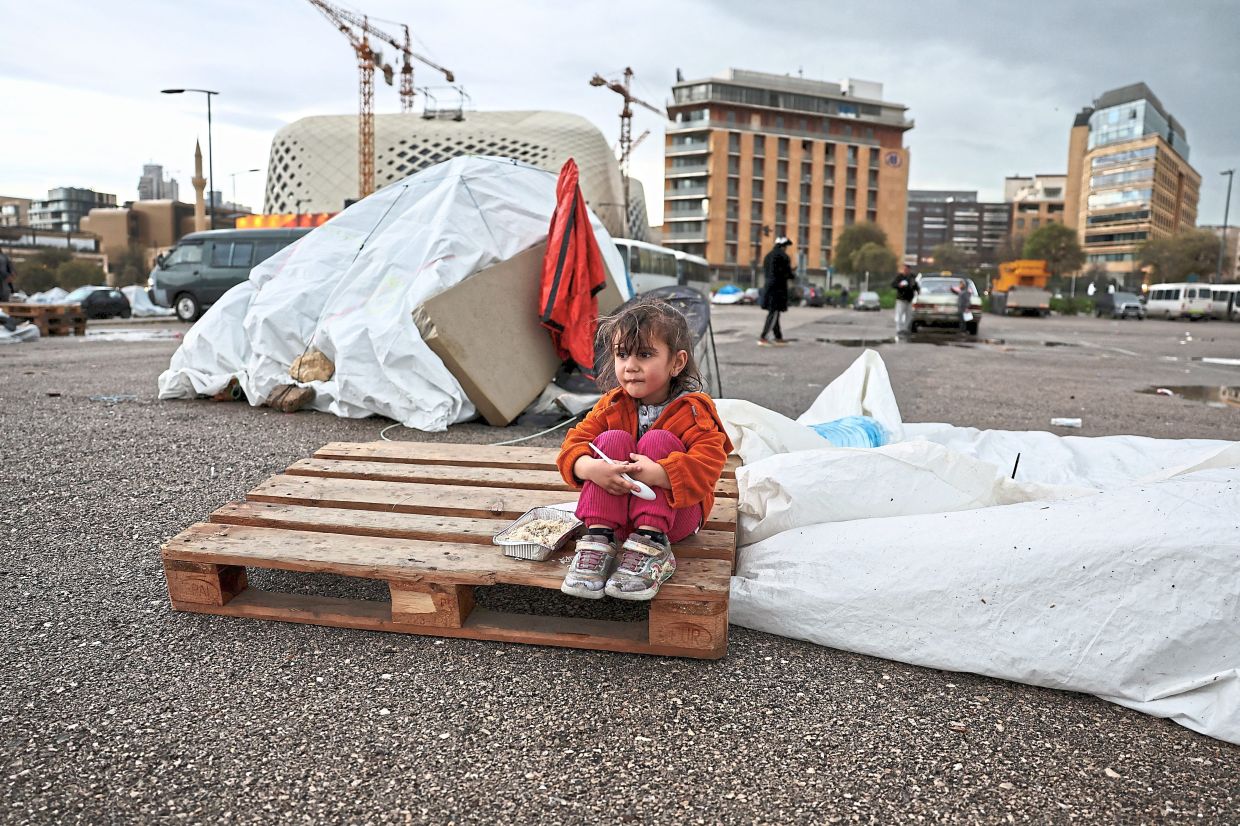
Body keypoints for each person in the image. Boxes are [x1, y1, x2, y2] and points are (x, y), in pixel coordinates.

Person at [556, 297, 732, 601]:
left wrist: (662, 473)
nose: (631, 366)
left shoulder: (692, 411)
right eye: (622, 354)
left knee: (658, 441)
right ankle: (598, 540)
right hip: (619, 521)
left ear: (676, 363)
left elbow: (710, 464)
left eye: (645, 354)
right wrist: (589, 468)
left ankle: (652, 547)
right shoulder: (612, 404)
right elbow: (572, 445)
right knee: (609, 440)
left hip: (676, 521)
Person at [757, 236, 794, 346]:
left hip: (768, 286)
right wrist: (792, 274)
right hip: (778, 288)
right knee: (773, 313)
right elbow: (787, 273)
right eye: (786, 246)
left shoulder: (768, 256)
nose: (786, 248)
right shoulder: (783, 256)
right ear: (783, 246)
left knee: (775, 313)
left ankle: (778, 337)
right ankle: (763, 337)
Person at [891, 266, 918, 334]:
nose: (906, 271)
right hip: (901, 299)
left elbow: (916, 286)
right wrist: (899, 285)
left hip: (909, 299)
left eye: (907, 269)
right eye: (905, 269)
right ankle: (899, 329)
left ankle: (906, 328)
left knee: (909, 315)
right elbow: (893, 284)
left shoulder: (912, 277)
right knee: (899, 314)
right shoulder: (900, 277)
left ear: (909, 270)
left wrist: (918, 290)